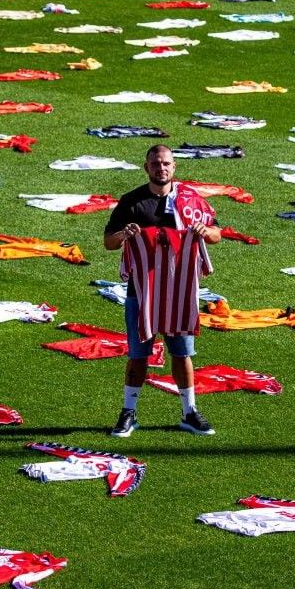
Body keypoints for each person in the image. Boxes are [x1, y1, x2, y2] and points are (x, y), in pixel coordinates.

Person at [103, 145, 222, 437]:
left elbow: (217, 233)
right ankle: (128, 412)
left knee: (182, 354)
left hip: (179, 293)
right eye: (155, 164)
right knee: (138, 354)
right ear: (146, 167)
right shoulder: (132, 202)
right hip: (141, 292)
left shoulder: (190, 200)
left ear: (174, 166)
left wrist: (205, 232)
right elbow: (109, 241)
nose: (161, 168)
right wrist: (125, 235)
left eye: (166, 163)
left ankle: (189, 412)